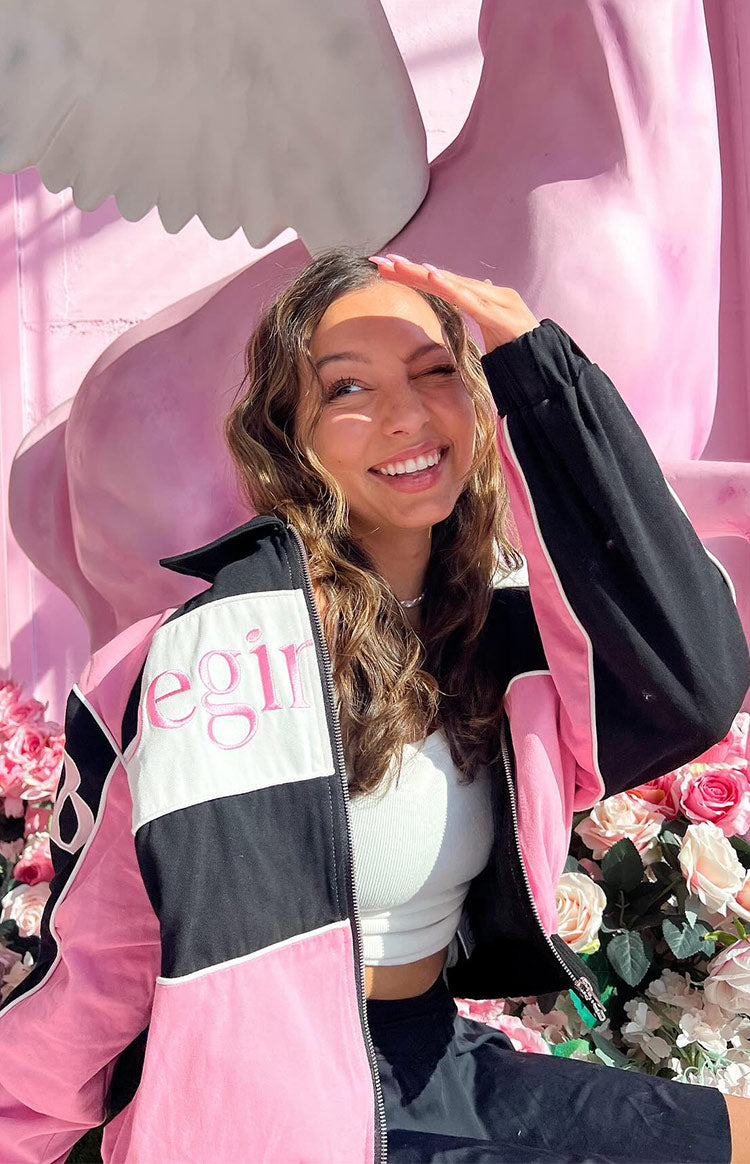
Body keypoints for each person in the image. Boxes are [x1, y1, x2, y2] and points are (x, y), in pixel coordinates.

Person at [1, 247, 749, 1163]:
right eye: (348, 388)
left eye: (436, 373)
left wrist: (543, 376)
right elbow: (97, 967)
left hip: (436, 1057)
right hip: (267, 1108)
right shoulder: (190, 662)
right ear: (289, 434)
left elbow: (689, 689)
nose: (406, 416)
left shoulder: (503, 644)